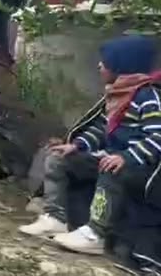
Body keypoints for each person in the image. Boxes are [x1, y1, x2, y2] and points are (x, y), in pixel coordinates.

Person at [20, 34, 161, 258]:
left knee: (110, 168)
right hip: (112, 157)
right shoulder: (119, 94)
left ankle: (96, 234)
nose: (99, 65)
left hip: (139, 166)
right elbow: (104, 128)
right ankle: (55, 218)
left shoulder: (148, 96)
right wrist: (77, 145)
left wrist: (127, 157)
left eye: (105, 62)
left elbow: (157, 137)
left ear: (122, 66)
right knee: (58, 159)